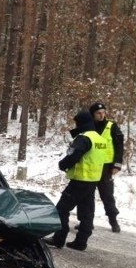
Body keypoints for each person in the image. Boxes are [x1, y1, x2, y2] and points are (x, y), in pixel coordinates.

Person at [45, 111, 106, 251]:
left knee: (61, 209)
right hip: (93, 180)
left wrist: (62, 164)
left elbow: (73, 156)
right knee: (87, 212)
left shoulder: (83, 138)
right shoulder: (99, 139)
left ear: (81, 123)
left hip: (80, 180)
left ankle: (59, 238)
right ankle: (81, 242)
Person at [88, 101, 124, 233]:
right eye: (98, 113)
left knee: (107, 195)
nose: (101, 115)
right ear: (92, 114)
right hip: (90, 166)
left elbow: (120, 146)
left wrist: (117, 164)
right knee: (87, 196)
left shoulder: (111, 126)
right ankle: (87, 222)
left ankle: (113, 221)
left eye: (103, 113)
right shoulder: (88, 127)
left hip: (106, 167)